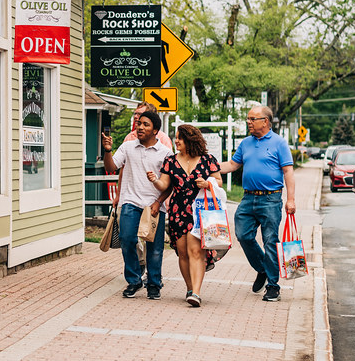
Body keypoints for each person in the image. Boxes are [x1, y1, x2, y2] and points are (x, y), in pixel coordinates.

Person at [219, 105, 296, 302]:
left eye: (253, 119)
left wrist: (291, 199)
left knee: (270, 240)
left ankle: (272, 286)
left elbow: (288, 172)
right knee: (243, 235)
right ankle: (262, 268)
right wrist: (207, 166)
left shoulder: (279, 143)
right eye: (248, 119)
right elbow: (233, 165)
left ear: (266, 121)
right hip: (247, 198)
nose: (249, 122)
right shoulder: (246, 143)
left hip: (270, 199)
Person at [148, 124, 222, 307]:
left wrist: (207, 183)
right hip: (178, 211)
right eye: (176, 137)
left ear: (190, 140)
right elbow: (164, 185)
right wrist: (155, 181)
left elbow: (218, 180)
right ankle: (190, 288)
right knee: (183, 253)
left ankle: (196, 293)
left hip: (200, 211)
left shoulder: (207, 159)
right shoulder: (171, 161)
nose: (176, 141)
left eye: (180, 138)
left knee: (196, 251)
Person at [107, 109, 172, 299]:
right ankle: (134, 280)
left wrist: (158, 202)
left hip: (154, 205)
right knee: (127, 240)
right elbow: (111, 167)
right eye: (139, 123)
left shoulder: (165, 153)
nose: (140, 126)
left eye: (146, 124)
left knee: (155, 248)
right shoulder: (127, 147)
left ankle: (154, 284)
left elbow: (170, 185)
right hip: (130, 202)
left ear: (155, 131)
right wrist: (108, 151)